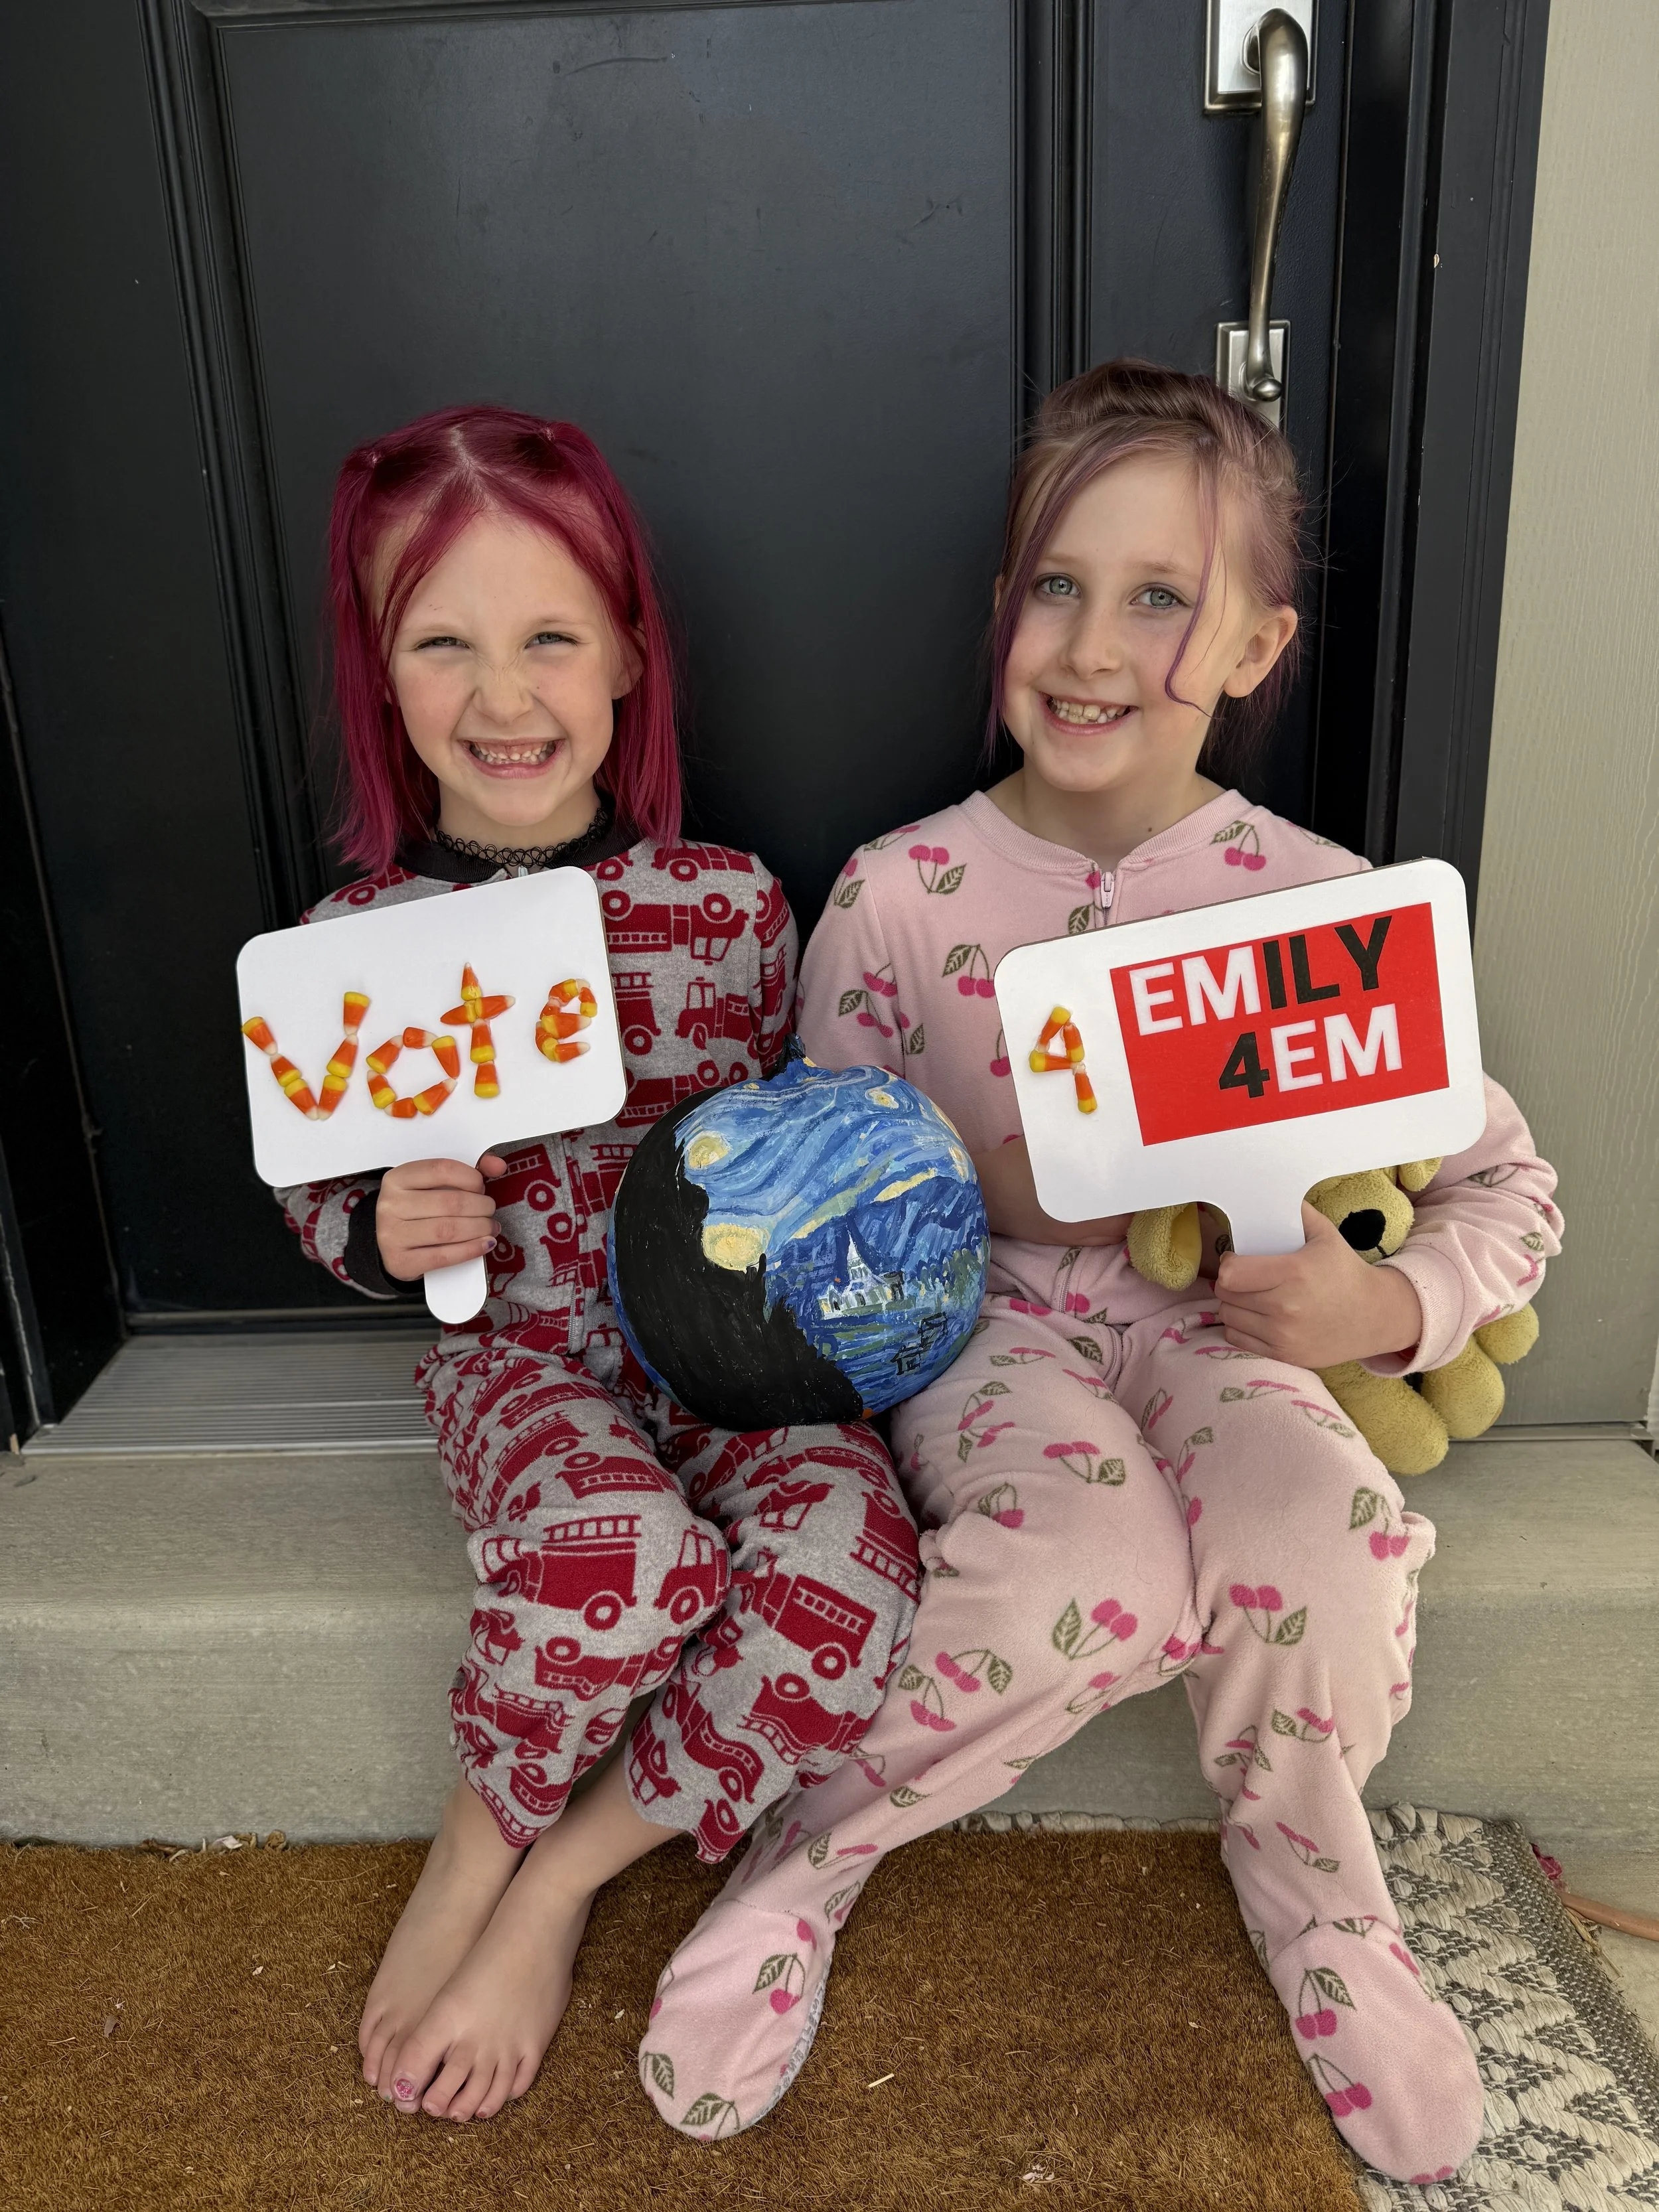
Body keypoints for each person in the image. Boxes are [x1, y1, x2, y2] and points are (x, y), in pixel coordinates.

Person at [638, 360, 1560, 2183]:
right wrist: (1001, 1183)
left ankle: (1318, 1897)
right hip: (986, 1351)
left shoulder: (1316, 909)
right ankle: (805, 1854)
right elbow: (819, 1231)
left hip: (1229, 1343)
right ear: (1002, 611)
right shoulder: (899, 894)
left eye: (1158, 597)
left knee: (1327, 1542)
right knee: (1092, 1574)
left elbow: (1502, 1188)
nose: (1088, 641)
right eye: (1054, 583)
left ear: (1251, 644)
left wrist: (1377, 1310)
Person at [273, 405, 918, 2127]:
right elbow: (313, 1188)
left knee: (852, 1568)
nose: (503, 696)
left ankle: (559, 1879)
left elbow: (785, 1153)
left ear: (629, 652)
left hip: (712, 1352)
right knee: (617, 1553)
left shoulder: (728, 907)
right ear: (380, 670)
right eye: (444, 642)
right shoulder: (352, 950)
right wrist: (380, 1230)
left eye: (549, 634)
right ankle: (468, 1853)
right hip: (521, 1358)